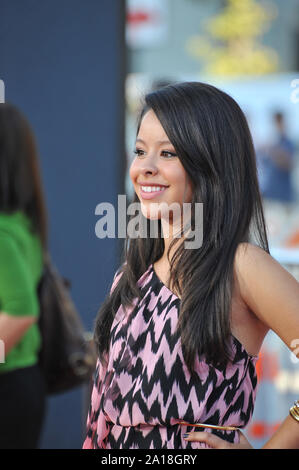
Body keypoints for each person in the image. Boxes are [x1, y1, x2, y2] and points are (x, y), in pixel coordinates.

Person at [83, 82, 299, 449]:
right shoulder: (133, 274)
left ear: (210, 163)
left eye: (168, 153)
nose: (145, 168)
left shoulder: (241, 266)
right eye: (140, 151)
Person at [0, 103, 48, 449]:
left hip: (9, 386)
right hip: (22, 384)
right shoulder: (21, 222)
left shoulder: (3, 231)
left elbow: (21, 312)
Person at [257, 111, 296, 203]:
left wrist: (272, 151)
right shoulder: (270, 143)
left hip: (282, 197)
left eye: (278, 122)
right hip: (269, 193)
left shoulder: (287, 143)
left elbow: (289, 164)